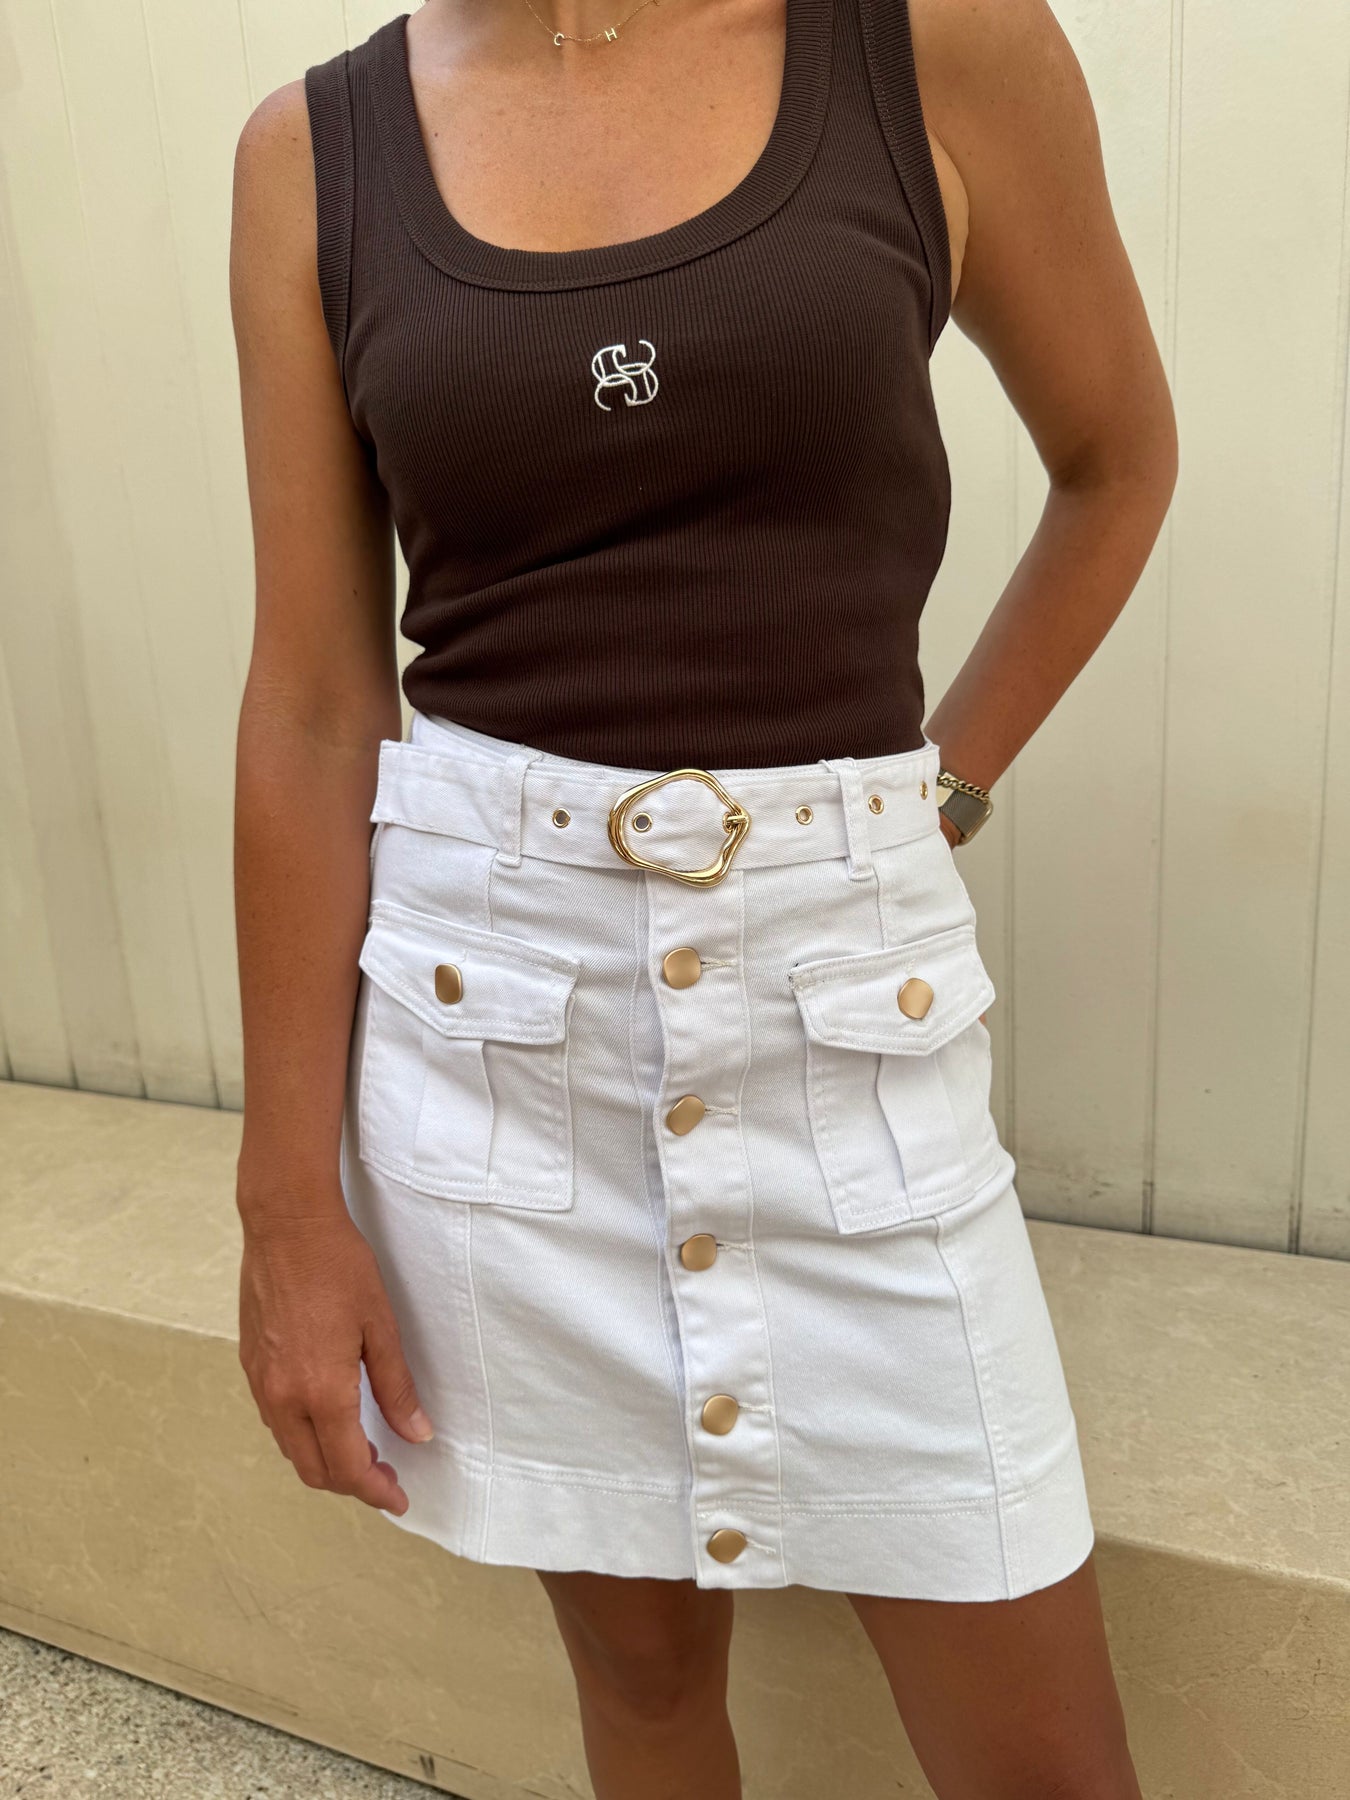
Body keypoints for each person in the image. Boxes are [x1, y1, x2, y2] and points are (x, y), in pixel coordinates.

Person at [228, 0, 1175, 1788]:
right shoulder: (311, 154)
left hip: (849, 1023)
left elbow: (1115, 460)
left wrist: (940, 790)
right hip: (498, 1035)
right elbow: (314, 705)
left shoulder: (936, 50)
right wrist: (287, 1206)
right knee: (642, 1676)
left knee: (1042, 1759)